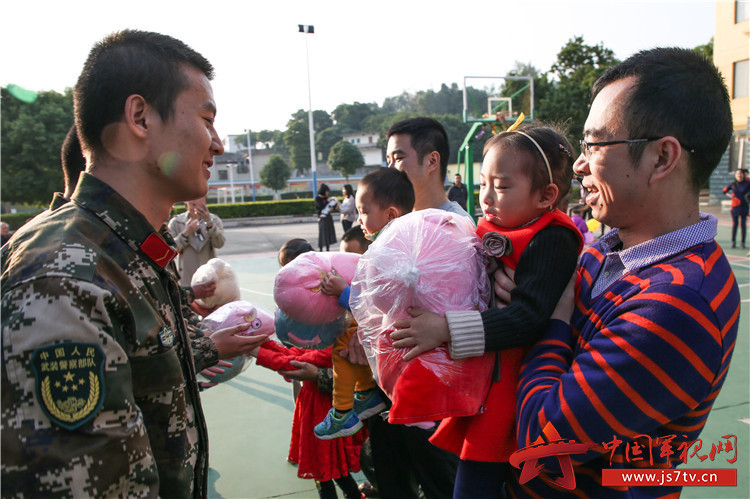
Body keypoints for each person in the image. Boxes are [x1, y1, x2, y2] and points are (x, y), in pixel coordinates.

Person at [404, 47, 740, 497]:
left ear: (662, 158)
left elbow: (541, 443)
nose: (578, 165)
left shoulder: (678, 303)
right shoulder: (606, 248)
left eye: (594, 145)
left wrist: (551, 322)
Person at [1, 30, 268, 497]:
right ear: (140, 117)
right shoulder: (64, 276)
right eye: (207, 119)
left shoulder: (126, 250)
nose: (218, 143)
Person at [391, 122, 583, 497]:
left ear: (546, 196)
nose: (487, 197)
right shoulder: (497, 226)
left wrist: (445, 328)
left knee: (476, 481)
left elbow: (528, 317)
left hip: (517, 387)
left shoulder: (553, 238)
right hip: (488, 381)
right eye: (483, 183)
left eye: (502, 186)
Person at [247, 243, 365, 499]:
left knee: (330, 472)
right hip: (314, 408)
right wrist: (262, 342)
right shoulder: (326, 331)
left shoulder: (339, 338)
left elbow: (295, 361)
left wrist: (258, 351)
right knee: (331, 473)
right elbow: (296, 354)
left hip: (326, 412)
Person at [314, 168, 413, 440]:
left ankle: (343, 411)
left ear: (390, 215)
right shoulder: (409, 240)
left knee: (344, 345)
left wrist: (343, 292)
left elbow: (375, 304)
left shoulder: (387, 251)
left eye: (364, 212)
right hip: (403, 333)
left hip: (398, 335)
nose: (359, 220)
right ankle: (365, 392)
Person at [168, 196, 226, 286]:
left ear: (204, 199)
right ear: (185, 201)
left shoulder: (214, 220)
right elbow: (170, 250)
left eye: (197, 196)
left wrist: (209, 223)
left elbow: (220, 243)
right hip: (187, 278)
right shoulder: (176, 222)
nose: (193, 200)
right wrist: (186, 233)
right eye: (190, 196)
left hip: (209, 276)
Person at [723, 168, 750, 248]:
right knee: (735, 224)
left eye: (740, 173)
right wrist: (730, 196)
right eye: (737, 174)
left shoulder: (747, 183)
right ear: (735, 175)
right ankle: (733, 241)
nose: (739, 175)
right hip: (735, 207)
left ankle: (743, 242)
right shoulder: (733, 184)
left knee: (743, 225)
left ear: (743, 175)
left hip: (744, 206)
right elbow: (724, 191)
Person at [316, 183, 338, 251]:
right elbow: (320, 207)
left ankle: (328, 248)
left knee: (328, 233)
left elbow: (333, 205)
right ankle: (321, 249)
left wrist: (332, 207)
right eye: (326, 191)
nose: (327, 193)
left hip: (328, 217)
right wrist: (327, 202)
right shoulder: (318, 198)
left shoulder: (327, 198)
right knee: (322, 233)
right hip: (322, 218)